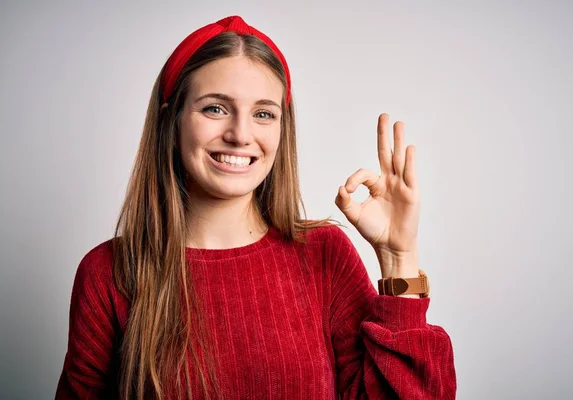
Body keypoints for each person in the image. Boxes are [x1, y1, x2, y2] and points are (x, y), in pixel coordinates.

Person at [55, 15, 456, 400]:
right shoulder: (108, 272)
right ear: (171, 123)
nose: (240, 134)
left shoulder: (324, 255)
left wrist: (398, 256)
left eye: (264, 114)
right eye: (215, 108)